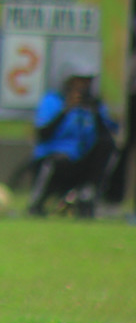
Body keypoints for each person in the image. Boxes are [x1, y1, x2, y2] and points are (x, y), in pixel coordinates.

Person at [27, 60, 119, 218]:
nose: (83, 86)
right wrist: (66, 110)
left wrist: (96, 113)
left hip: (82, 159)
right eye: (79, 81)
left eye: (87, 82)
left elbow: (108, 134)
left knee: (108, 147)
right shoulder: (53, 100)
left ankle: (88, 194)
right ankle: (38, 201)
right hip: (57, 158)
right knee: (58, 161)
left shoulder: (94, 105)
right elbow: (43, 133)